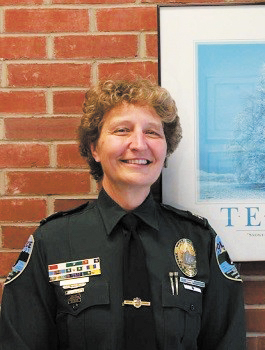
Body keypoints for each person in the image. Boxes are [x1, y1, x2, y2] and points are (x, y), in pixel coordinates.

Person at [0, 79, 247, 350]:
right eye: (122, 130)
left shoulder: (199, 241)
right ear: (94, 148)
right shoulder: (53, 242)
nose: (138, 144)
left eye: (152, 132)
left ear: (165, 150)